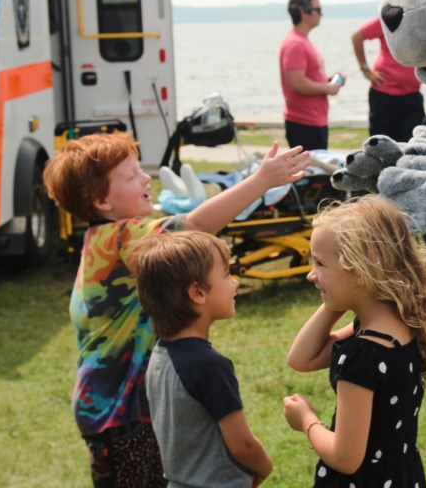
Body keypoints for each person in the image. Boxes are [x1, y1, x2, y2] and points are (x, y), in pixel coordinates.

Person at [43, 133, 309, 487]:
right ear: (100, 200)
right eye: (130, 175)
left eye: (141, 170)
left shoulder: (97, 241)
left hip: (106, 409)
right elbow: (194, 228)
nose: (145, 179)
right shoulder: (120, 239)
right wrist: (261, 181)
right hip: (119, 413)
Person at [282, 195, 426, 487]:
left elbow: (345, 458)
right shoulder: (402, 323)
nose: (310, 275)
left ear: (362, 269)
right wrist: (336, 301)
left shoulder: (362, 355)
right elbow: (301, 358)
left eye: (320, 263)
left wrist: (306, 420)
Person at [132, 231, 273, 488]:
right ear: (197, 293)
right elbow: (242, 444)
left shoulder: (159, 356)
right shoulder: (210, 366)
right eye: (226, 275)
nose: (235, 283)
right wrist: (265, 467)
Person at [280, 0, 345, 151]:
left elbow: (306, 78)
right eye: (318, 10)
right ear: (304, 13)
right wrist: (328, 88)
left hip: (315, 120)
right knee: (312, 175)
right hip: (304, 123)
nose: (321, 14)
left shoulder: (302, 41)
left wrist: (329, 81)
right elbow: (296, 82)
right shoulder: (295, 44)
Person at [351, 15, 424, 141]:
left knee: (414, 144)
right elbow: (357, 36)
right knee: (381, 146)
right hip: (383, 93)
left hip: (412, 94)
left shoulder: (421, 17)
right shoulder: (389, 17)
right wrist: (366, 70)